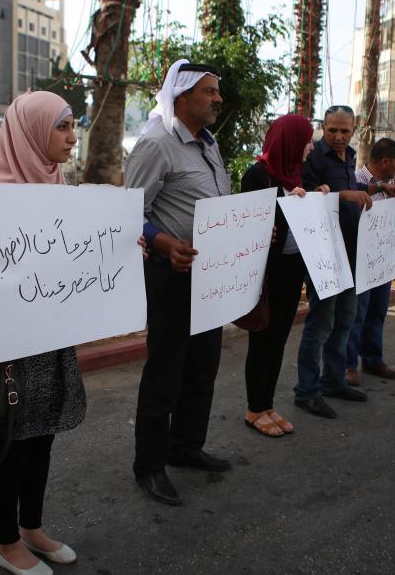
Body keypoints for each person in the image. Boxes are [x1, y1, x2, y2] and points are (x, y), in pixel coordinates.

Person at [0, 91, 85, 575]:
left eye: (72, 126)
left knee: (43, 438)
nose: (72, 138)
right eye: (62, 127)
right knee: (13, 445)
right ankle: (6, 541)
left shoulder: (63, 193)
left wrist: (120, 248)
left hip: (53, 339)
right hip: (16, 346)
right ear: (31, 132)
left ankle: (31, 527)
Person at [125, 60, 232, 506]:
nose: (217, 99)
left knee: (203, 367)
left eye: (217, 91)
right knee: (165, 373)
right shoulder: (156, 144)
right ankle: (150, 466)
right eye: (209, 91)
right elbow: (129, 213)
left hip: (209, 275)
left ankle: (186, 446)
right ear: (182, 95)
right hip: (171, 275)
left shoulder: (209, 143)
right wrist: (164, 242)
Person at [239, 115, 325, 437]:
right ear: (290, 141)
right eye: (306, 140)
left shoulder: (295, 174)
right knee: (262, 338)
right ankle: (254, 408)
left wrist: (315, 196)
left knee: (279, 340)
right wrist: (289, 205)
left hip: (291, 270)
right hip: (267, 272)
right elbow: (251, 223)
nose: (311, 146)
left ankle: (267, 404)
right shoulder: (258, 176)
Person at [294, 105, 372, 417]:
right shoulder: (312, 157)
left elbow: (354, 191)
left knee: (345, 320)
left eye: (345, 131)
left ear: (354, 130)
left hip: (351, 253)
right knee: (321, 323)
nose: (339, 136)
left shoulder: (350, 156)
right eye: (332, 130)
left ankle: (333, 381)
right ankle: (306, 391)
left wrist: (378, 188)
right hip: (324, 254)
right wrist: (343, 195)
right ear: (323, 128)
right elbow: (304, 199)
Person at [345, 138, 395, 385]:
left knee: (378, 311)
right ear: (385, 162)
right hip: (361, 260)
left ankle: (372, 359)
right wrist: (381, 188)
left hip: (382, 259)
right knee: (356, 315)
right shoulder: (356, 179)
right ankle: (349, 365)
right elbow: (351, 206)